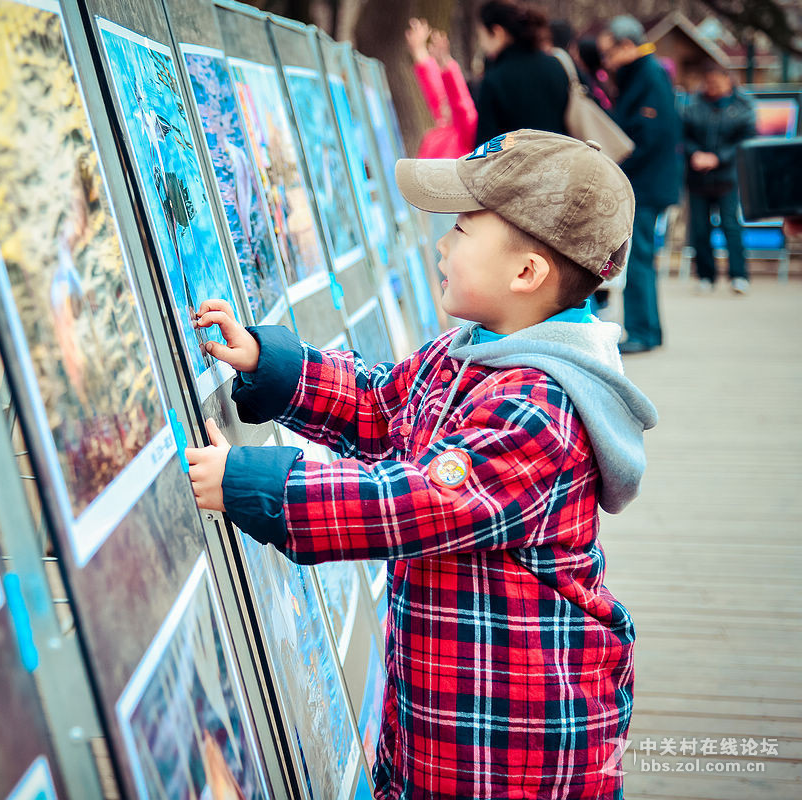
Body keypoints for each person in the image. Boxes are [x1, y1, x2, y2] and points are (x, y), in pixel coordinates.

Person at [185, 130, 657, 799]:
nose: (440, 243)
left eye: (462, 229)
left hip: (514, 741)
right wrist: (276, 367)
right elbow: (382, 407)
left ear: (526, 274)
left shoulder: (540, 410)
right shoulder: (469, 350)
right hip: (444, 715)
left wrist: (254, 483)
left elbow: (413, 503)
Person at [598, 15, 682, 354]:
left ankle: (642, 331)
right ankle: (648, 330)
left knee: (641, 257)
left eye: (609, 53)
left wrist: (619, 166)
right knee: (643, 257)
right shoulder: (645, 74)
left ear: (627, 45)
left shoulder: (647, 75)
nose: (606, 62)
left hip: (646, 184)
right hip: (649, 182)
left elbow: (649, 135)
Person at [682, 61, 758, 294]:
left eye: (716, 82)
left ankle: (739, 275)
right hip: (697, 179)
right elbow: (683, 135)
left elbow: (744, 140)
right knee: (700, 229)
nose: (712, 87)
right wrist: (695, 154)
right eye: (708, 82)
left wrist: (717, 158)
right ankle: (706, 276)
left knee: (731, 226)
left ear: (728, 81)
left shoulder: (743, 107)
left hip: (727, 178)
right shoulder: (693, 106)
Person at [472, 0, 569, 144]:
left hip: (516, 165)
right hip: (561, 160)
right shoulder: (556, 65)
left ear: (497, 32)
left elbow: (486, 146)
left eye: (481, 35)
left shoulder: (495, 79)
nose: (482, 44)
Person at [405, 18, 477, 158]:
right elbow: (433, 86)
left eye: (448, 100)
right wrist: (419, 50)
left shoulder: (466, 133)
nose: (444, 102)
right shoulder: (444, 123)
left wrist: (447, 64)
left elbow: (460, 103)